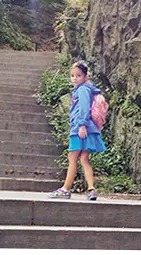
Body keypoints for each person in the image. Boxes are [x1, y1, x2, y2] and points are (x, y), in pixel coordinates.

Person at [49, 61, 107, 200]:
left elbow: (84, 107)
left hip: (80, 129)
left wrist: (81, 125)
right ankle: (92, 189)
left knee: (72, 158)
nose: (75, 78)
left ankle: (65, 189)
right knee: (84, 159)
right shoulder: (88, 89)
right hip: (89, 128)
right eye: (72, 75)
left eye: (78, 75)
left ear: (86, 76)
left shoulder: (82, 90)